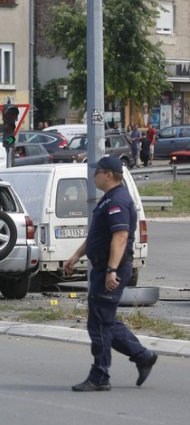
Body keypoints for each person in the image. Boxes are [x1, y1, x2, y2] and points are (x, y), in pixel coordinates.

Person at [64, 156, 157, 392]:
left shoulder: (118, 200)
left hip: (111, 267)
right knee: (102, 320)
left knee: (99, 324)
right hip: (103, 266)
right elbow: (98, 235)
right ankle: (142, 356)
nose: (93, 176)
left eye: (97, 172)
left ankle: (100, 375)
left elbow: (120, 236)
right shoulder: (108, 199)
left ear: (108, 175)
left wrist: (112, 270)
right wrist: (76, 256)